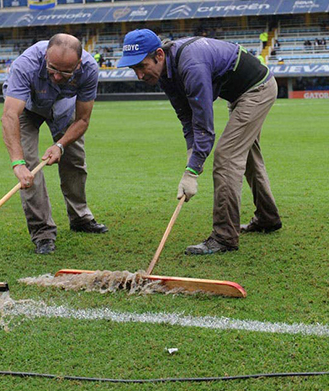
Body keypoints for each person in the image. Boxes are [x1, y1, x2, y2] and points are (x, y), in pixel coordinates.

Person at [116, 29, 282, 255]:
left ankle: (224, 237)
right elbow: (187, 118)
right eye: (133, 69)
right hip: (238, 95)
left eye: (142, 66)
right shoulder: (165, 74)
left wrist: (192, 171)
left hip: (257, 90)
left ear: (159, 55)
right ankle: (268, 218)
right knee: (249, 159)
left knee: (226, 157)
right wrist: (191, 153)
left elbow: (204, 125)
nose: (139, 75)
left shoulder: (191, 65)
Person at [1, 34, 106, 255]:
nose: (57, 76)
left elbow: (83, 120)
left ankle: (80, 217)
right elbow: (10, 116)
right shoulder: (26, 64)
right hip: (27, 108)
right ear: (46, 56)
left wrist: (60, 145)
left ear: (78, 65)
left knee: (74, 160)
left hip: (63, 108)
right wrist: (17, 163)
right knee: (29, 169)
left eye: (65, 72)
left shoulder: (89, 69)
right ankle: (43, 233)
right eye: (52, 69)